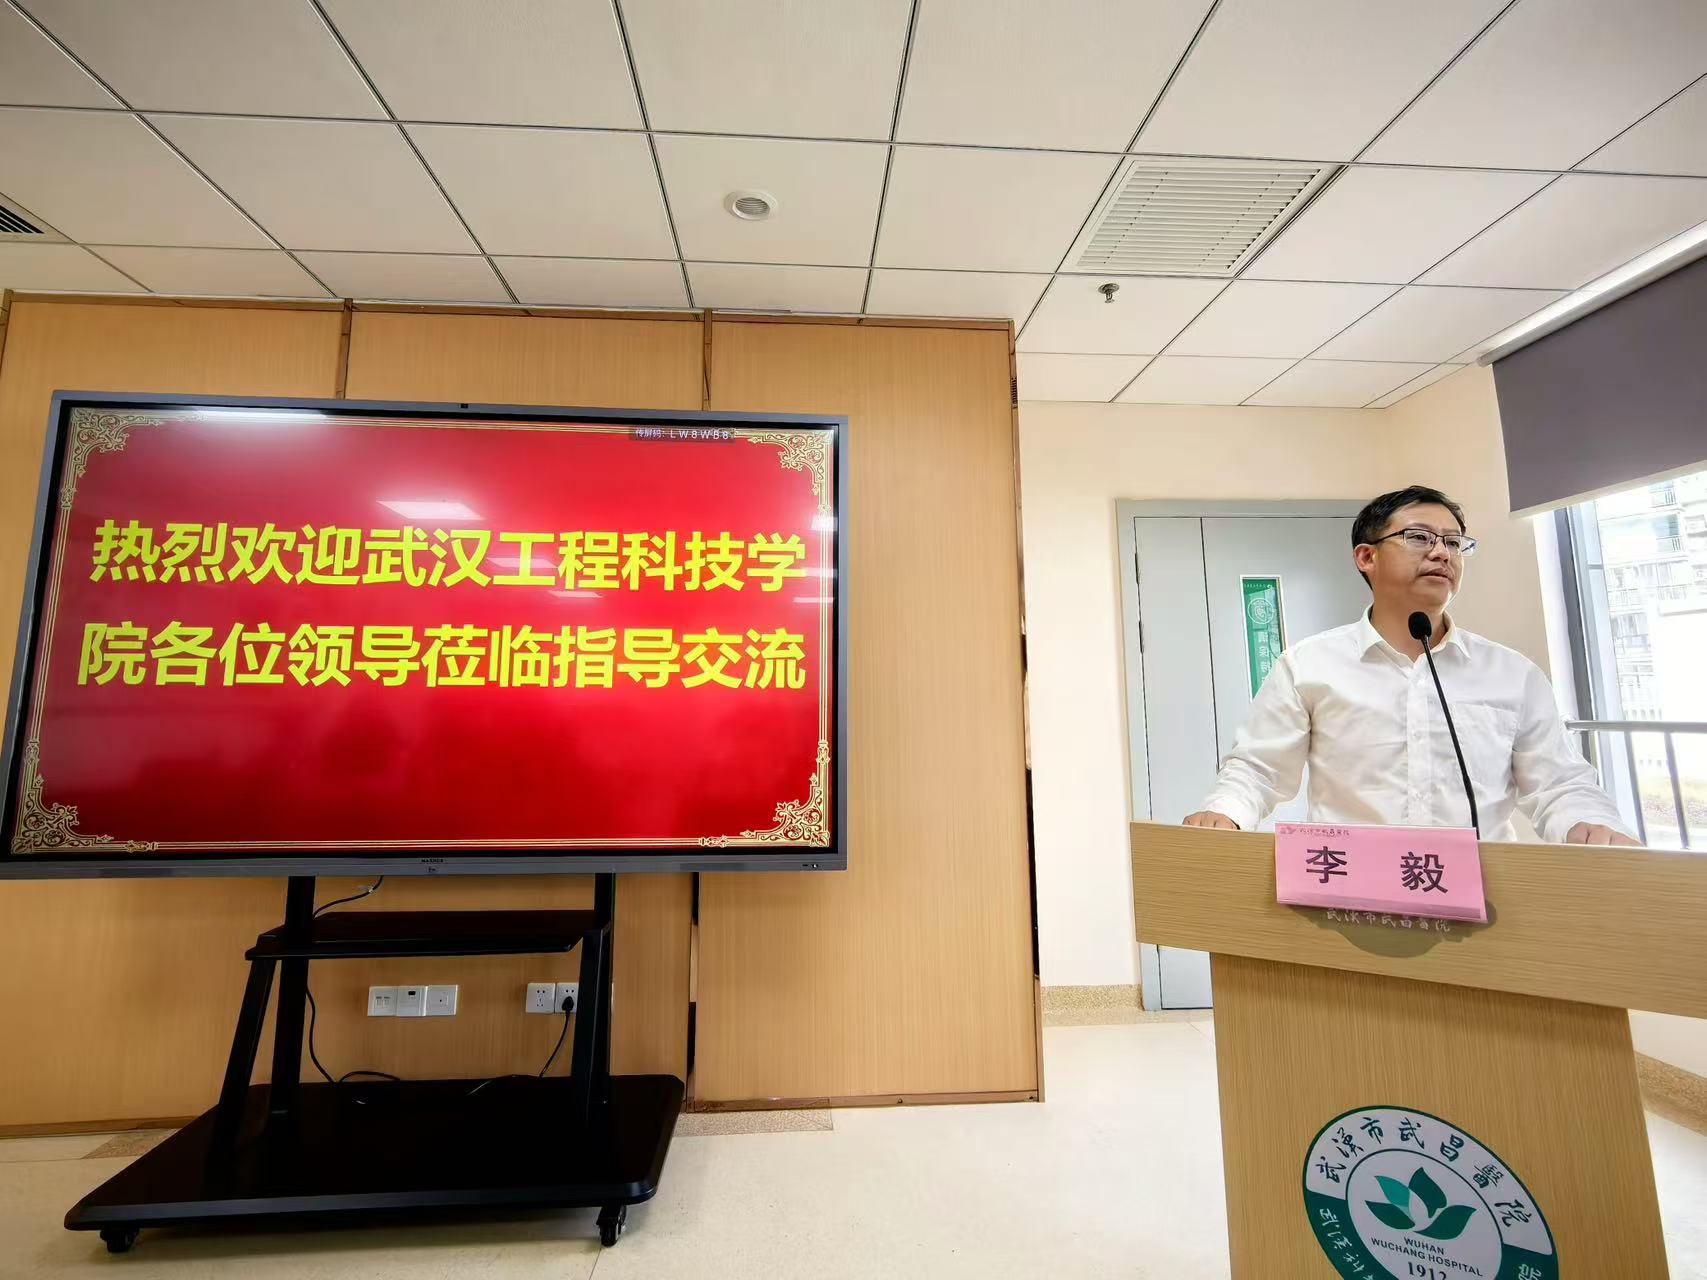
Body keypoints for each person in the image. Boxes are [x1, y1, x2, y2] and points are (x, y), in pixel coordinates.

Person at [1184, 485, 1638, 845]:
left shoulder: (1512, 674)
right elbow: (1259, 770)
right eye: (1419, 537)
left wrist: (1591, 824)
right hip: (1350, 892)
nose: (1442, 553)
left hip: (1484, 898)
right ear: (1367, 556)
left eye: (1454, 543)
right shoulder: (1308, 666)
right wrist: (1225, 813)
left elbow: (1559, 781)